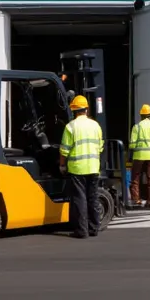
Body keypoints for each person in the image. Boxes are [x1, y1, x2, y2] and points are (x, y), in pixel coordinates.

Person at [58, 94, 104, 239]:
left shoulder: (70, 126)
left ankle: (82, 231)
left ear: (73, 110)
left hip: (77, 168)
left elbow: (64, 150)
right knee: (93, 197)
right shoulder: (95, 125)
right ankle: (94, 228)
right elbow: (100, 147)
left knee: (80, 199)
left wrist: (62, 165)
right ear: (86, 109)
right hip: (93, 167)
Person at [128, 104, 150, 208]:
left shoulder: (137, 127)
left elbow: (132, 144)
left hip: (139, 156)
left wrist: (130, 157)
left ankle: (136, 201)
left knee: (135, 179)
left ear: (141, 115)